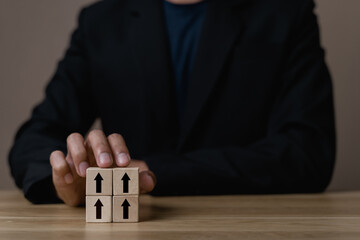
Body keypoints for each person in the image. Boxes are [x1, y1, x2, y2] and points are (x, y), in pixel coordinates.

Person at [9, 0, 336, 206]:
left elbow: (308, 152)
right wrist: (64, 179)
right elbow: (33, 140)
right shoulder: (101, 21)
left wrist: (155, 171)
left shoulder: (287, 12)